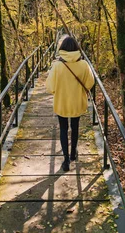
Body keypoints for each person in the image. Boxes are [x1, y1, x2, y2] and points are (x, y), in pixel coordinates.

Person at [46, 36, 95, 172]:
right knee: (75, 127)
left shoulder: (57, 66)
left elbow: (50, 87)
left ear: (62, 49)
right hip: (77, 102)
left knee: (63, 129)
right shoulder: (84, 64)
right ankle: (73, 153)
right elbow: (90, 83)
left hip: (62, 102)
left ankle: (66, 160)